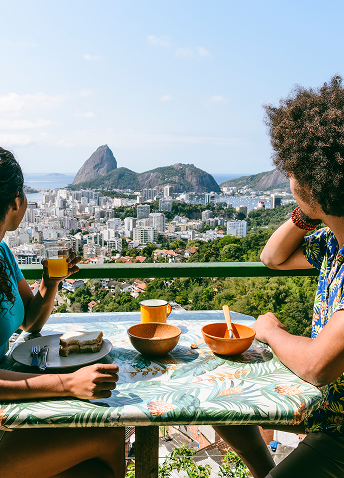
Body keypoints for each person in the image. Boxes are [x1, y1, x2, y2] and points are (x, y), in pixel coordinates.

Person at [214, 76, 344, 477]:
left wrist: (269, 330)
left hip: (339, 430)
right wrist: (310, 208)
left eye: (295, 174)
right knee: (223, 405)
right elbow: (272, 256)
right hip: (326, 408)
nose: (289, 182)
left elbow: (318, 365)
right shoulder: (332, 245)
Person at [0, 148, 125, 478]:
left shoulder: (2, 252)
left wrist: (50, 282)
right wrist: (68, 383)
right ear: (16, 203)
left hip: (8, 403)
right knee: (108, 432)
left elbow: (29, 321)